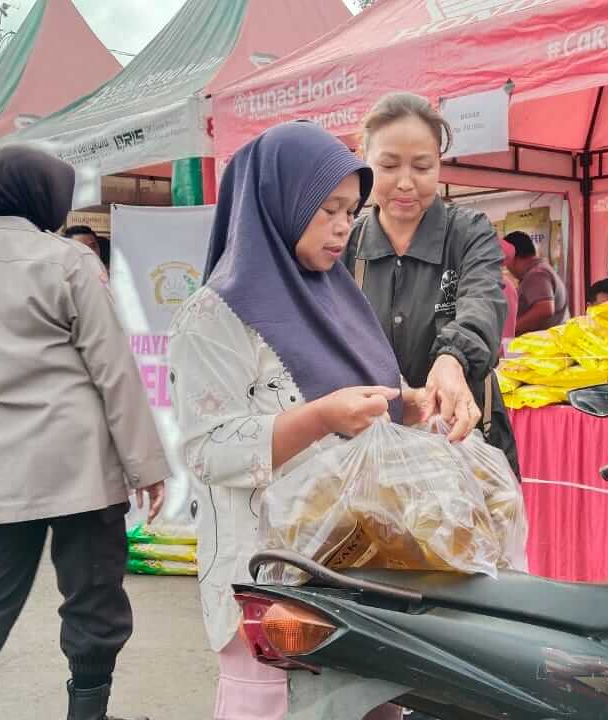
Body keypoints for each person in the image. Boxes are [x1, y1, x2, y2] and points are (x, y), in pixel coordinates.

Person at [172, 121, 418, 720]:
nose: (343, 226)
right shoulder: (214, 315)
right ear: (280, 201)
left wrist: (413, 404)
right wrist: (321, 417)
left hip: (350, 562)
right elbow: (207, 451)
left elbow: (372, 393)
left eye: (350, 211)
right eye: (328, 209)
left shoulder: (334, 295)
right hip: (268, 576)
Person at [0, 146, 169, 720]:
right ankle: (87, 711)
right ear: (42, 197)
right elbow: (114, 371)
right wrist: (146, 466)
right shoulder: (69, 263)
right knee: (93, 599)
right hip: (77, 466)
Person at [347, 92, 519, 473]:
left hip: (465, 443)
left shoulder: (469, 233)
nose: (405, 183)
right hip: (376, 451)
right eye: (389, 166)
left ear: (439, 167)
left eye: (422, 167)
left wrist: (452, 357)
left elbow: (483, 303)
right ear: (364, 164)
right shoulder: (347, 243)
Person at [504, 230, 568, 335]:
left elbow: (545, 309)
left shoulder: (537, 274)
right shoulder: (539, 271)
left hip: (543, 346)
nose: (506, 266)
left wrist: (511, 329)